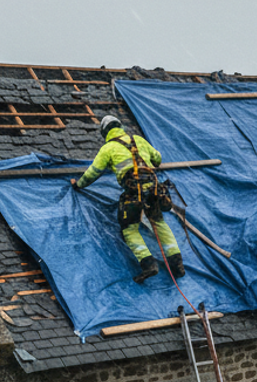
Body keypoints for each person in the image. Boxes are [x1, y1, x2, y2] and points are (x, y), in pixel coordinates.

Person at [71, 115, 185, 283]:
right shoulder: (138, 139)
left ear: (104, 132)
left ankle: (149, 264)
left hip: (133, 194)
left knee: (130, 229)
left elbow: (93, 173)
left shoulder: (108, 148)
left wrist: (78, 185)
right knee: (159, 223)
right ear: (120, 126)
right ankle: (177, 265)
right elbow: (157, 159)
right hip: (154, 190)